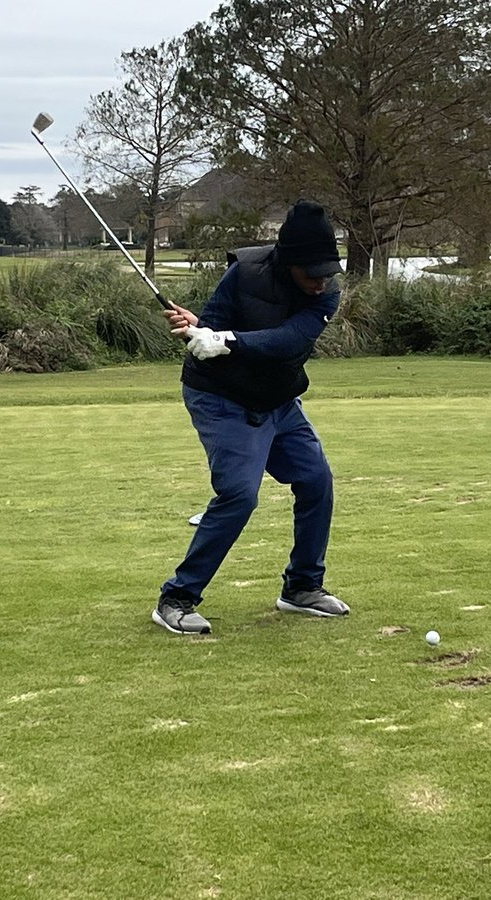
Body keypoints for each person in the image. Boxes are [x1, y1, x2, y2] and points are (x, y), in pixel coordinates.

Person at [154, 199, 349, 635]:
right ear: (287, 261)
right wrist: (203, 331)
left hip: (278, 399)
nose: (320, 283)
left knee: (317, 481)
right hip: (220, 398)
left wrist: (228, 339)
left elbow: (288, 340)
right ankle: (177, 598)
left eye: (326, 273)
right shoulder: (242, 273)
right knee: (240, 495)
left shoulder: (327, 295)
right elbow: (217, 329)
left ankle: (301, 588)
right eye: (311, 273)